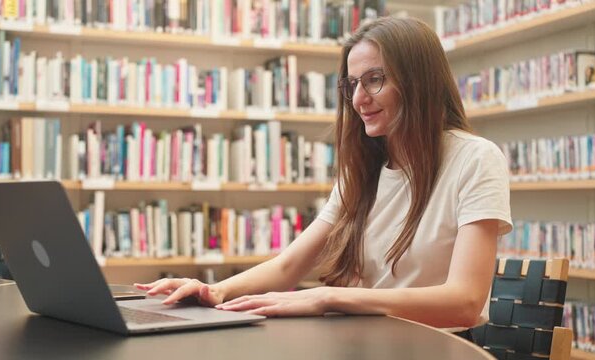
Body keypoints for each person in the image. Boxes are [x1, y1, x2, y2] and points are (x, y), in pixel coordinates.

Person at [135, 16, 512, 333]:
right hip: (372, 343)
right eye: (352, 85)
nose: (359, 100)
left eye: (375, 79)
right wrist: (216, 291)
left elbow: (464, 302)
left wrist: (327, 297)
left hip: (442, 349)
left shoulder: (475, 159)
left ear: (419, 82)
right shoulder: (364, 172)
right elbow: (289, 265)